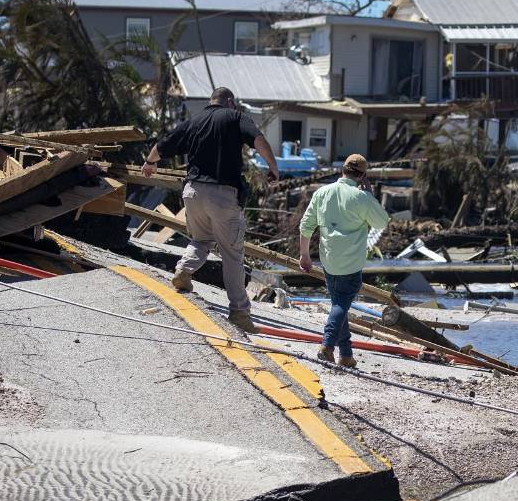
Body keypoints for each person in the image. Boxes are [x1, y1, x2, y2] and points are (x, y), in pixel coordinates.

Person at [141, 87, 279, 333]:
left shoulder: (194, 121)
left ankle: (183, 270)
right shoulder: (235, 117)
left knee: (200, 239)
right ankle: (239, 312)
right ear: (230, 101)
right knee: (232, 254)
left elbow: (162, 146)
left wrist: (149, 163)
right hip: (223, 195)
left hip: (193, 192)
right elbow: (259, 140)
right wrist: (273, 166)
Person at [298, 154, 389, 368]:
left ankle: (346, 355)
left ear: (342, 170)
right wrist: (369, 194)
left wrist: (304, 255)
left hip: (328, 259)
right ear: (362, 175)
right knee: (340, 304)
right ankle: (327, 345)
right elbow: (382, 222)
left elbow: (306, 225)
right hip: (351, 263)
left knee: (340, 305)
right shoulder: (362, 197)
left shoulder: (322, 193)